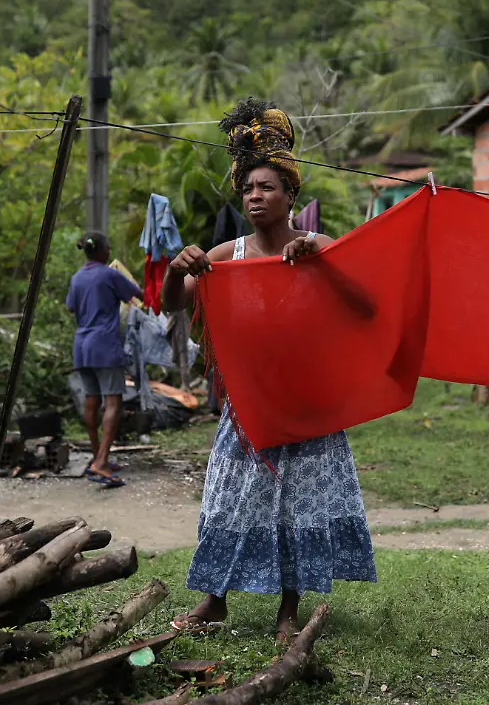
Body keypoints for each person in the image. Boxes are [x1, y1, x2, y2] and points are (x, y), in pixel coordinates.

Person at [161, 98, 376, 644]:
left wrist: (321, 261)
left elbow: (368, 305)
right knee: (229, 499)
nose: (256, 196)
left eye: (268, 188)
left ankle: (288, 612)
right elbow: (173, 305)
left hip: (307, 406)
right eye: (249, 188)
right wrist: (175, 269)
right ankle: (213, 602)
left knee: (295, 506)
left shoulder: (317, 248)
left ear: (291, 196)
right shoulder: (226, 256)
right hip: (247, 406)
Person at [66, 231, 143, 488]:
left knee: (91, 399)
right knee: (113, 402)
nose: (110, 251)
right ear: (100, 251)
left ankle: (97, 455)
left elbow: (71, 307)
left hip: (82, 347)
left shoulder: (77, 278)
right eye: (108, 247)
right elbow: (137, 295)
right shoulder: (110, 274)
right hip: (105, 345)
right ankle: (101, 462)